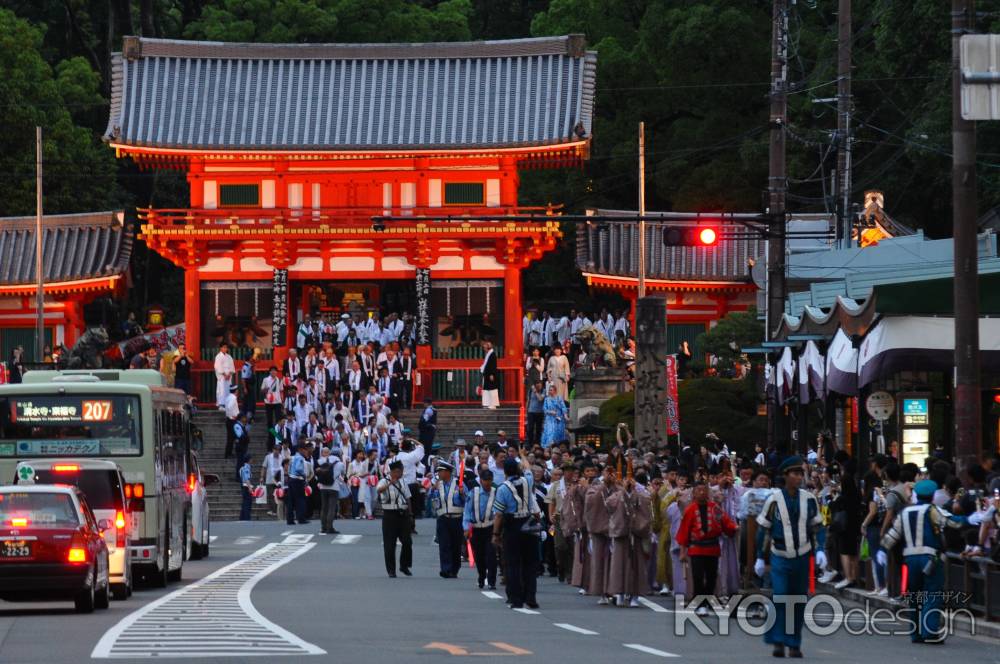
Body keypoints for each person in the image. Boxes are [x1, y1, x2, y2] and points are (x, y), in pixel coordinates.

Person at [879, 479, 994, 644]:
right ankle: (929, 631)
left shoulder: (905, 512)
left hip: (909, 560)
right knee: (932, 595)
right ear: (932, 495)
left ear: (916, 494)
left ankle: (916, 633)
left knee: (914, 596)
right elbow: (951, 521)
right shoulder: (932, 510)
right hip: (930, 558)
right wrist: (971, 519)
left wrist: (883, 550)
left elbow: (893, 535)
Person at [754, 456, 828, 658]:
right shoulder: (774, 500)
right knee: (780, 595)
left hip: (802, 555)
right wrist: (760, 557)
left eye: (800, 474)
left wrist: (821, 549)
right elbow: (763, 530)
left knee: (798, 599)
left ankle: (794, 643)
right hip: (780, 554)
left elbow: (818, 527)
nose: (799, 478)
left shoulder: (809, 499)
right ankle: (778, 640)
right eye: (795, 474)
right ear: (785, 476)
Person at [676, 480, 738, 615]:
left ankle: (707, 601)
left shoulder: (715, 507)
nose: (702, 492)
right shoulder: (690, 510)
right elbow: (684, 532)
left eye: (704, 490)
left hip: (713, 548)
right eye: (699, 490)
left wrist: (734, 528)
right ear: (694, 493)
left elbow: (725, 522)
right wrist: (682, 552)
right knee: (698, 577)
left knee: (711, 577)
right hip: (696, 548)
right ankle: (699, 604)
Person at [492, 458, 542, 609]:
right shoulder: (528, 481)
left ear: (505, 472)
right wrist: (523, 456)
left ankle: (516, 598)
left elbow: (499, 514)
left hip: (512, 525)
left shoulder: (502, 488)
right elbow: (527, 468)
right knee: (529, 564)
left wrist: (495, 534)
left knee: (512, 564)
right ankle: (531, 596)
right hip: (529, 524)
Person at [429, 461, 466, 578]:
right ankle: (445, 569)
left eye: (440, 471)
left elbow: (467, 500)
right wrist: (432, 490)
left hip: (456, 518)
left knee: (455, 545)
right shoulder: (438, 485)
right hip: (443, 518)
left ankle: (454, 569)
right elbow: (431, 499)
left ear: (447, 472)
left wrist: (462, 494)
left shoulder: (459, 484)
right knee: (444, 545)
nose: (438, 474)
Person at [465, 464, 499, 589]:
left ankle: (492, 581)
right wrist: (465, 527)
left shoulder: (496, 492)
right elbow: (467, 511)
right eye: (485, 480)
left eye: (489, 480)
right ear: (481, 480)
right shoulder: (473, 492)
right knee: (479, 556)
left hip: (490, 527)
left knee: (491, 555)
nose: (487, 483)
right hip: (476, 528)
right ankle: (481, 575)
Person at [377, 460, 413, 578]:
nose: (401, 473)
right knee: (390, 544)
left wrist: (410, 514)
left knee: (407, 541)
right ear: (394, 471)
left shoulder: (403, 481)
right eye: (400, 471)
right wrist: (390, 484)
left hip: (403, 515)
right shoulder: (384, 480)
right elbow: (379, 490)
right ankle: (391, 570)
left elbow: (408, 497)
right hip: (389, 515)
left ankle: (404, 565)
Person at [316, 447, 342, 534]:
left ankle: (323, 527)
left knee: (324, 507)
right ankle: (329, 527)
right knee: (331, 507)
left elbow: (317, 470)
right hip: (334, 487)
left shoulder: (322, 460)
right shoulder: (340, 463)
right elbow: (342, 473)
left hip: (323, 486)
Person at [287, 443, 310, 525]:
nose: (306, 451)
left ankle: (290, 519)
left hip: (291, 479)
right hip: (298, 480)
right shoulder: (300, 458)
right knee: (300, 499)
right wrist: (304, 475)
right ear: (301, 450)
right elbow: (298, 468)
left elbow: (289, 468)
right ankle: (301, 518)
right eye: (305, 450)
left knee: (291, 501)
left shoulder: (293, 457)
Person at [260, 443, 284, 517]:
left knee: (279, 495)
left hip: (279, 480)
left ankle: (278, 510)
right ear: (273, 450)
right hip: (270, 479)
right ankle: (273, 510)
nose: (276, 451)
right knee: (271, 496)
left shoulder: (282, 457)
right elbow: (264, 467)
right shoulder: (268, 457)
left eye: (278, 450)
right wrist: (261, 477)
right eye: (275, 450)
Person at [260, 366, 283, 432]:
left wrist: (282, 401)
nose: (273, 372)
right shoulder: (266, 379)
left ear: (277, 372)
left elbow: (281, 391)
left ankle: (278, 435)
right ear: (270, 372)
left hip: (277, 402)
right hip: (268, 402)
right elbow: (261, 391)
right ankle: (271, 435)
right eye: (272, 370)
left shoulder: (279, 380)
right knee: (269, 420)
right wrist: (265, 389)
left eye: (275, 371)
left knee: (278, 419)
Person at [214, 343, 235, 409]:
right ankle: (221, 405)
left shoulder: (229, 357)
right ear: (220, 348)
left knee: (228, 390)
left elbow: (232, 366)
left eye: (226, 347)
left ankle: (228, 404)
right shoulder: (218, 356)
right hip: (222, 376)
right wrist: (224, 374)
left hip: (228, 375)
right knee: (221, 390)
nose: (225, 349)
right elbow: (217, 366)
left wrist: (229, 374)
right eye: (223, 347)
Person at [480, 340, 499, 409]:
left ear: (488, 347)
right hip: (487, 374)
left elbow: (493, 365)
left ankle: (493, 404)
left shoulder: (492, 354)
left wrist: (492, 374)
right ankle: (487, 403)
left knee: (492, 389)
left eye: (485, 346)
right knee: (486, 389)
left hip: (490, 374)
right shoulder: (488, 354)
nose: (484, 347)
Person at [526, 381, 545, 447]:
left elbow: (540, 399)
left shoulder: (543, 391)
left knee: (538, 429)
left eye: (540, 386)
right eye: (537, 386)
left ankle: (537, 443)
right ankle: (530, 443)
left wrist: (535, 392)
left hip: (540, 412)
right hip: (531, 412)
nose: (539, 387)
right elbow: (528, 401)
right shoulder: (530, 391)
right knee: (530, 428)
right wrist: (526, 411)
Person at [239, 453, 254, 521]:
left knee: (245, 502)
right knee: (247, 503)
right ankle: (246, 517)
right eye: (251, 459)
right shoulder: (246, 467)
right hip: (246, 487)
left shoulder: (244, 467)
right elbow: (246, 478)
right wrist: (250, 488)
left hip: (245, 487)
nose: (252, 460)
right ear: (249, 460)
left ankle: (242, 517)